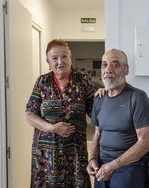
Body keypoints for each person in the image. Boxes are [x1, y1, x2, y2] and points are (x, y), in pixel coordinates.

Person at [25, 39, 95, 188]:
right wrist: (52, 128)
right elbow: (29, 114)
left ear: (70, 57)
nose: (60, 62)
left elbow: (96, 112)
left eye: (64, 57)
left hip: (75, 152)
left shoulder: (83, 81)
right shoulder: (42, 82)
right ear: (48, 61)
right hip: (45, 153)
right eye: (54, 58)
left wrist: (104, 95)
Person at [86, 49, 149, 188]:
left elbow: (146, 142)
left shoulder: (137, 98)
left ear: (126, 69)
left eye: (115, 64)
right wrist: (92, 159)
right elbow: (97, 134)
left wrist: (113, 165)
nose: (108, 69)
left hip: (129, 164)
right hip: (103, 163)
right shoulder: (99, 98)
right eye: (104, 65)